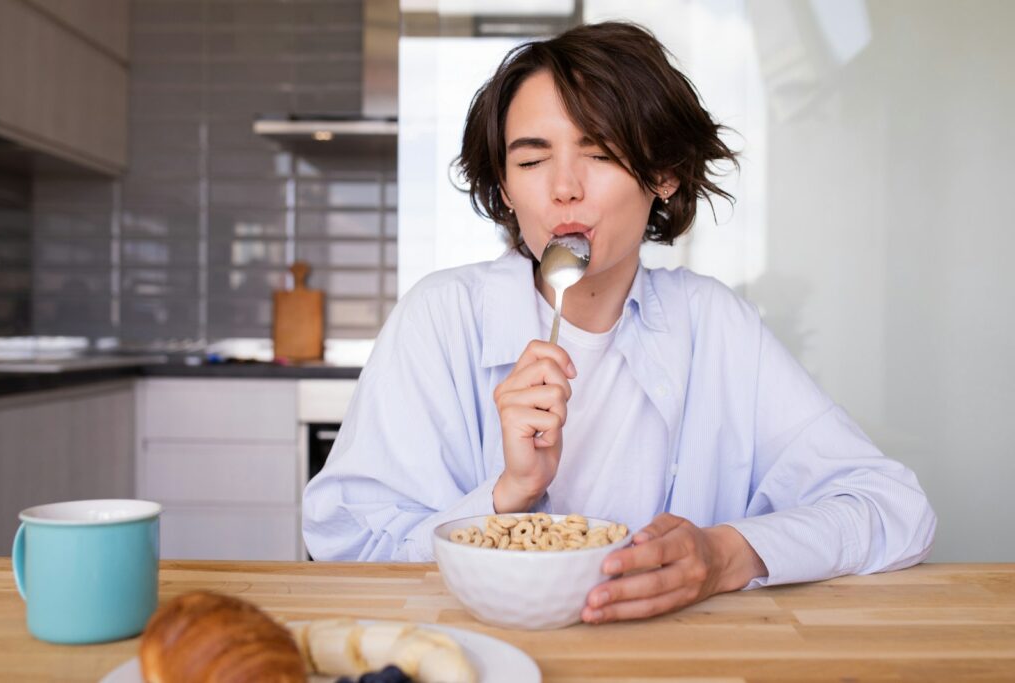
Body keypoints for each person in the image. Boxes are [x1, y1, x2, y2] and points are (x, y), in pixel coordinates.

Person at [303, 21, 936, 624]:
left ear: (662, 174)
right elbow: (345, 536)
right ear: (504, 187)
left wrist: (723, 556)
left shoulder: (713, 324)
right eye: (530, 162)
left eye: (599, 153)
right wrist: (506, 494)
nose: (563, 189)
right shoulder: (441, 317)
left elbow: (894, 509)